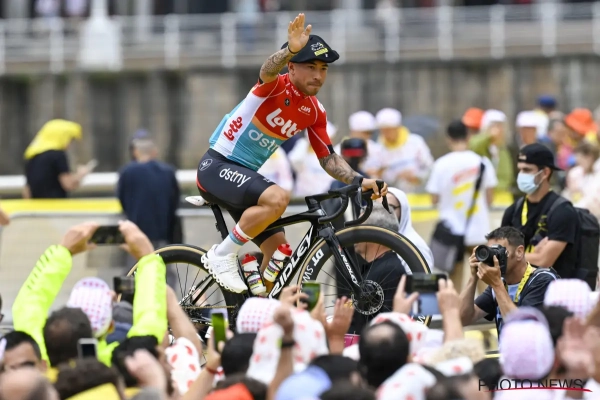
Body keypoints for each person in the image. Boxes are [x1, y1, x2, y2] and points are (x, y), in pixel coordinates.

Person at [195, 13, 387, 293]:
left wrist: (360, 180)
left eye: (323, 69)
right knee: (278, 197)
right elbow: (267, 69)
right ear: (292, 68)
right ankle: (221, 255)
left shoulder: (315, 111)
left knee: (279, 256)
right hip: (217, 166)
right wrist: (289, 50)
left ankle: (253, 307)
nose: (318, 75)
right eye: (311, 67)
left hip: (243, 179)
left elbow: (328, 158)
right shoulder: (273, 86)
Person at [426, 120, 497, 290]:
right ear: (468, 136)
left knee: (454, 284)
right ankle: (486, 309)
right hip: (479, 229)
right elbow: (490, 198)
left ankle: (455, 308)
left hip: (451, 231)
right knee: (484, 280)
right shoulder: (482, 162)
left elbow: (434, 199)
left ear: (448, 138)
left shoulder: (441, 164)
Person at [459, 227, 558, 336]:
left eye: (498, 251)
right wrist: (473, 277)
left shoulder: (543, 280)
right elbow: (462, 319)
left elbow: (521, 329)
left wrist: (496, 284)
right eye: (490, 252)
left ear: (519, 252)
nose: (493, 258)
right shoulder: (499, 283)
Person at [500, 143, 578, 279]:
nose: (521, 175)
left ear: (545, 172)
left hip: (552, 287)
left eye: (527, 170)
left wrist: (510, 256)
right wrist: (532, 255)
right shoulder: (513, 210)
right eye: (520, 170)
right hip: (519, 286)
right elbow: (499, 254)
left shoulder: (562, 211)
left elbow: (544, 261)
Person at [117, 138, 181, 286]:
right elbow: (175, 201)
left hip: (135, 232)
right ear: (154, 152)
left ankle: (130, 300)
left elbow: (122, 199)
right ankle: (168, 299)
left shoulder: (127, 172)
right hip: (163, 232)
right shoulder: (168, 172)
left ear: (135, 152)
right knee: (164, 271)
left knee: (133, 271)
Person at [23, 119, 93, 199]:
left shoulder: (32, 156)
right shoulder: (58, 155)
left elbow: (27, 191)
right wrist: (80, 175)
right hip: (56, 204)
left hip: (36, 205)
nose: (69, 144)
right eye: (70, 140)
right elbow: (68, 185)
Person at [375, 108, 433, 193]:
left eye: (388, 130)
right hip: (393, 194)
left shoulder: (416, 142)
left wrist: (417, 177)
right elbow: (380, 175)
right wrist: (395, 176)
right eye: (383, 131)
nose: (386, 134)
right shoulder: (379, 148)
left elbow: (430, 167)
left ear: (398, 128)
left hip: (419, 194)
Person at [386, 188, 434, 271]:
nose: (383, 212)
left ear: (403, 210)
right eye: (377, 208)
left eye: (390, 208)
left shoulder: (415, 246)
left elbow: (422, 278)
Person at [287, 122, 337, 197]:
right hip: (303, 198)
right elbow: (294, 160)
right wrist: (305, 143)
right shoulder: (303, 150)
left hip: (327, 198)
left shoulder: (335, 154)